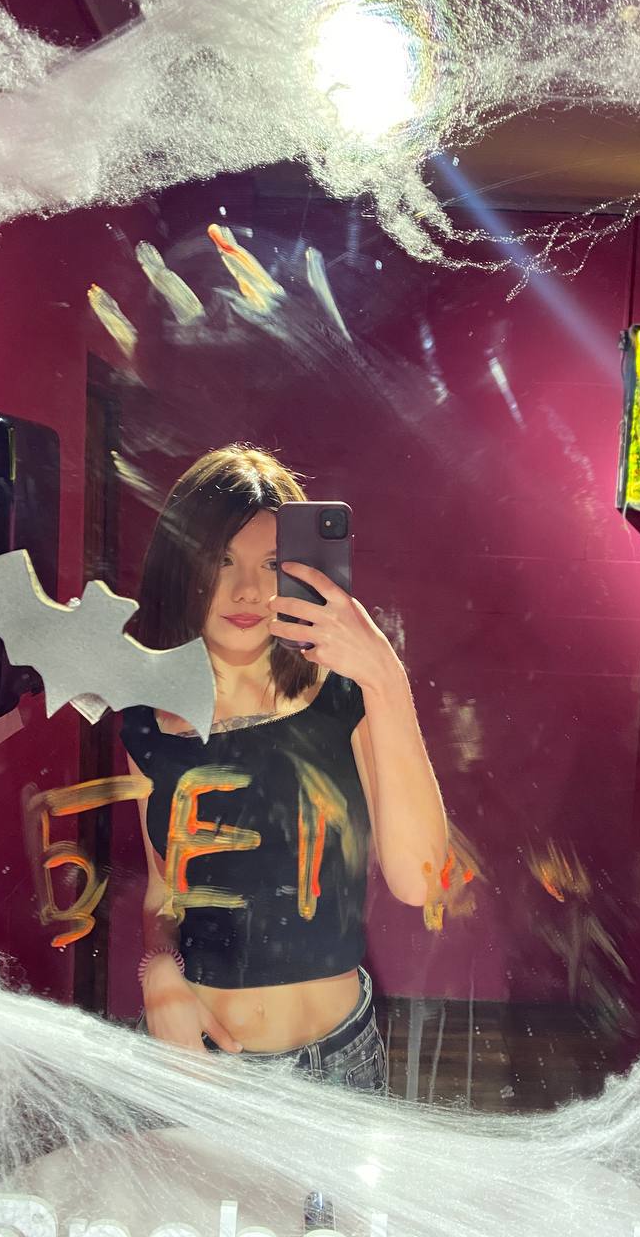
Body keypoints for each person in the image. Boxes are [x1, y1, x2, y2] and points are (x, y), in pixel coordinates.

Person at [120, 444, 448, 1090]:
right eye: (221, 559)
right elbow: (164, 893)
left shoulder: (344, 698)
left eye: (271, 563)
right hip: (204, 1066)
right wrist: (157, 968)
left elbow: (420, 882)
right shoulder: (148, 722)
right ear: (182, 566)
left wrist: (385, 678)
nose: (247, 589)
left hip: (339, 1064)